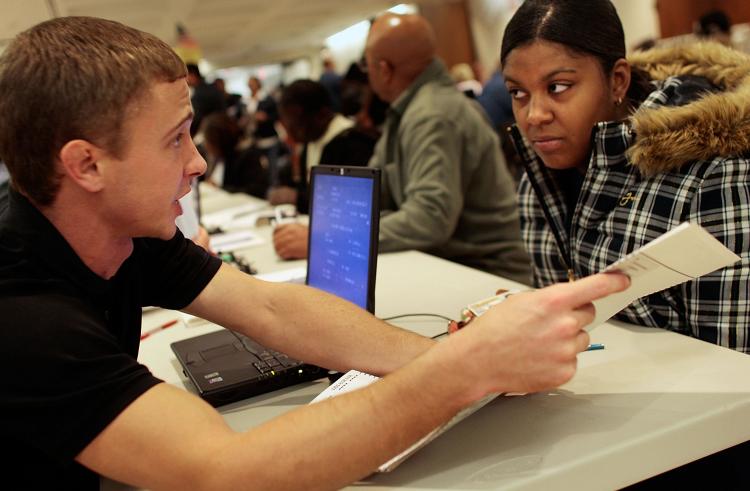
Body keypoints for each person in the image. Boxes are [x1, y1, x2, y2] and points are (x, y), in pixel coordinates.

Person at [0, 16, 629, 490]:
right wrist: (460, 371)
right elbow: (227, 471)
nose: (197, 162)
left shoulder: (129, 236)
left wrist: (455, 362)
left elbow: (272, 311)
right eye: (173, 140)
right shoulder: (25, 316)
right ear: (86, 164)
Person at [501, 0, 750, 354]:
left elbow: (735, 361)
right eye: (518, 93)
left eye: (558, 87)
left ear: (617, 80)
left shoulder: (713, 173)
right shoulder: (537, 176)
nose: (534, 115)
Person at [274, 14, 532, 283]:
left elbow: (429, 219)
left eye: (367, 65)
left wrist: (330, 239)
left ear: (384, 69)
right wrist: (329, 229)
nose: (367, 73)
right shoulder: (413, 109)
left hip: (487, 277)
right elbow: (374, 193)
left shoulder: (433, 114)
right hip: (450, 267)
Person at [271, 79, 377, 213]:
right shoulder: (310, 141)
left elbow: (350, 202)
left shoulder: (355, 143)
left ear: (322, 114)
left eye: (297, 126)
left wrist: (297, 198)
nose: (291, 134)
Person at [186, 63, 225, 137]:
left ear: (192, 75)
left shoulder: (200, 93)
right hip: (220, 130)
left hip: (212, 133)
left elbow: (198, 118)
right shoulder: (210, 87)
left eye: (185, 76)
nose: (185, 80)